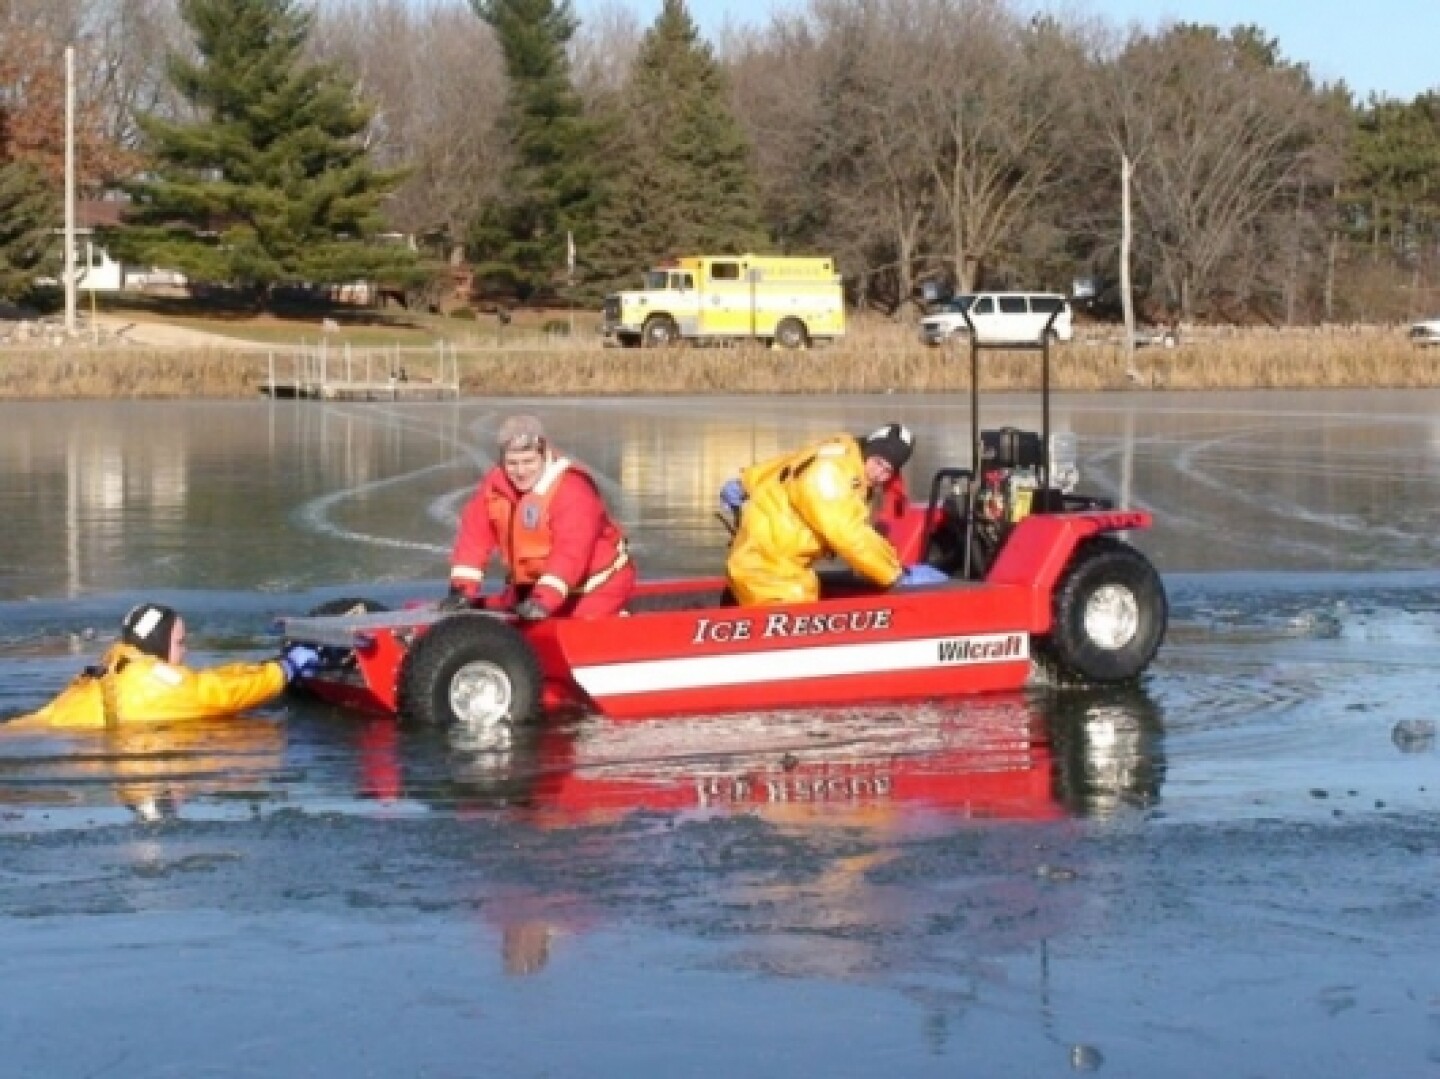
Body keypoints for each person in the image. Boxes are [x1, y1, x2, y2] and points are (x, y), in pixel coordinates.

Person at [723, 422, 948, 605]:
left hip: (777, 563)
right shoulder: (832, 473)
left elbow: (790, 461)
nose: (878, 473)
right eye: (878, 462)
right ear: (869, 450)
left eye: (887, 470)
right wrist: (895, 574)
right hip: (768, 568)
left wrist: (747, 481)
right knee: (795, 622)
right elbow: (848, 534)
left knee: (806, 593)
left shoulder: (839, 451)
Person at [443, 414, 636, 620]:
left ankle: (616, 620)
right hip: (533, 587)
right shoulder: (495, 486)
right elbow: (474, 538)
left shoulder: (573, 491)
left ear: (544, 454)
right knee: (505, 610)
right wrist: (461, 590)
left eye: (529, 461)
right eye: (512, 463)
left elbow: (571, 553)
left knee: (558, 627)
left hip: (594, 589)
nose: (520, 471)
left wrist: (544, 600)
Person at [12, 603, 318, 730]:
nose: (185, 651)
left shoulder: (117, 664)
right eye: (180, 642)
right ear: (158, 642)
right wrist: (284, 670)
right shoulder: (154, 680)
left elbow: (203, 679)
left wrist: (261, 667)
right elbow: (215, 694)